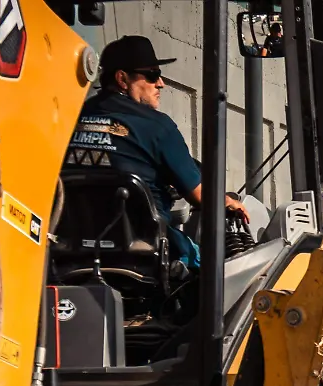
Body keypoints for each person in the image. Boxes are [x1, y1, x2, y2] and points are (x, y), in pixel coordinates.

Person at [64, 35, 248, 270]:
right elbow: (200, 196)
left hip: (72, 254)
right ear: (122, 79)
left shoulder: (71, 118)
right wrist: (230, 202)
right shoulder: (158, 127)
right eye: (151, 75)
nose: (161, 83)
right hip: (145, 255)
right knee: (216, 270)